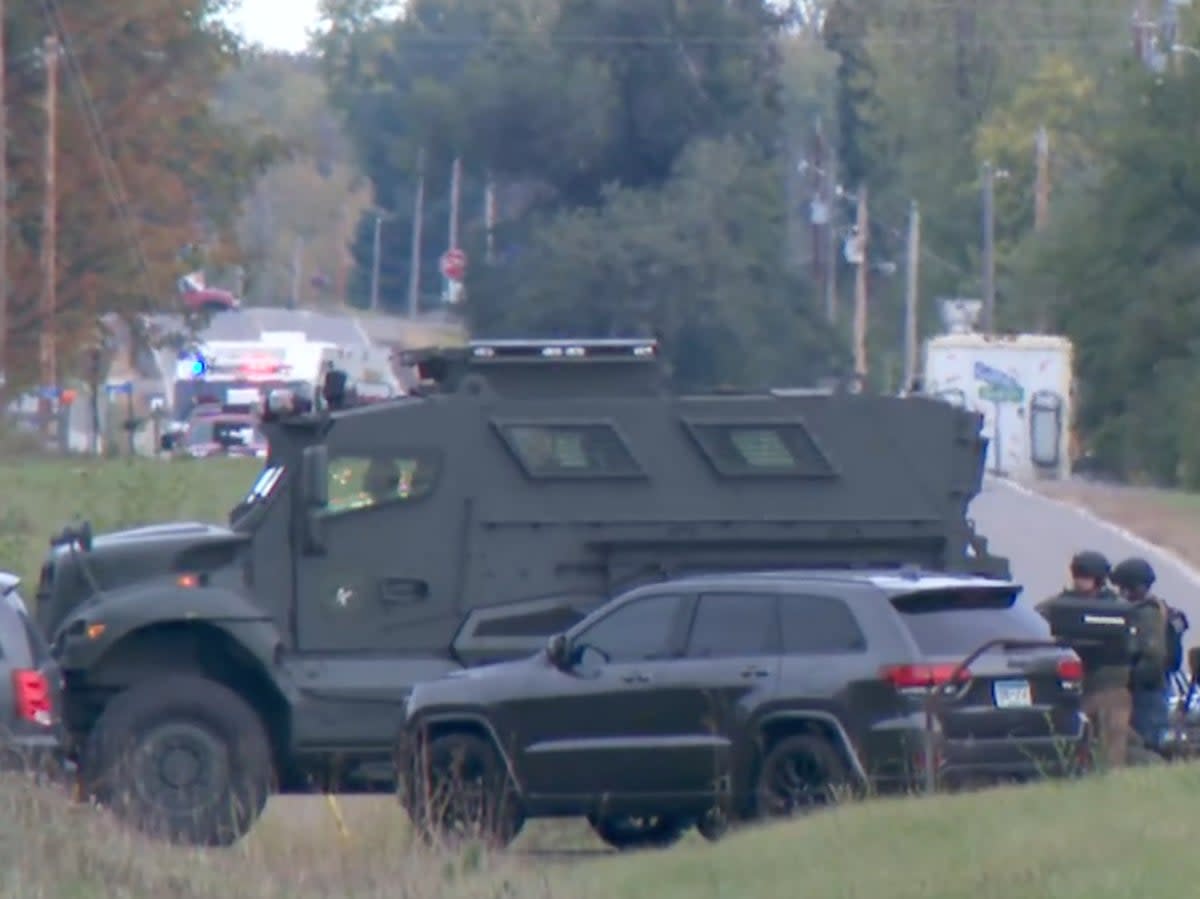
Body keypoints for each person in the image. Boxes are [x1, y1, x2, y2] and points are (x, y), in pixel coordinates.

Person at [1036, 550, 1134, 768]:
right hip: (1072, 687)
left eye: (1086, 576)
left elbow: (1132, 641)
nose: (1081, 581)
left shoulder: (1117, 608)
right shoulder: (1059, 606)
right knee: (1072, 743)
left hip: (1110, 685)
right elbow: (1036, 625)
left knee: (1113, 745)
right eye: (1079, 575)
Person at [1110, 557, 1174, 750]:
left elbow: (1153, 655)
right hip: (1153, 688)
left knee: (1148, 743)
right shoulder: (1159, 608)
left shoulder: (1147, 614)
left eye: (1123, 587)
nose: (1120, 592)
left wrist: (1130, 679)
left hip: (1147, 691)